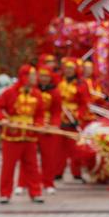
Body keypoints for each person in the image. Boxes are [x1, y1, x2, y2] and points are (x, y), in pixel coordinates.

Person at [0, 65, 45, 204]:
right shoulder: (10, 92)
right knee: (8, 166)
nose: (35, 78)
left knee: (32, 166)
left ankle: (36, 192)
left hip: (29, 135)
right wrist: (3, 119)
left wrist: (39, 125)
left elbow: (40, 114)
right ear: (24, 77)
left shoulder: (37, 94)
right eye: (32, 75)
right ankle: (5, 194)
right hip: (12, 135)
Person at [36, 67, 63, 195]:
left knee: (49, 156)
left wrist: (54, 125)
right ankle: (24, 183)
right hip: (33, 125)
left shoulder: (55, 92)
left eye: (46, 76)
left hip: (49, 127)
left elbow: (56, 112)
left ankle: (48, 182)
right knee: (28, 157)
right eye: (41, 76)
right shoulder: (33, 90)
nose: (44, 79)